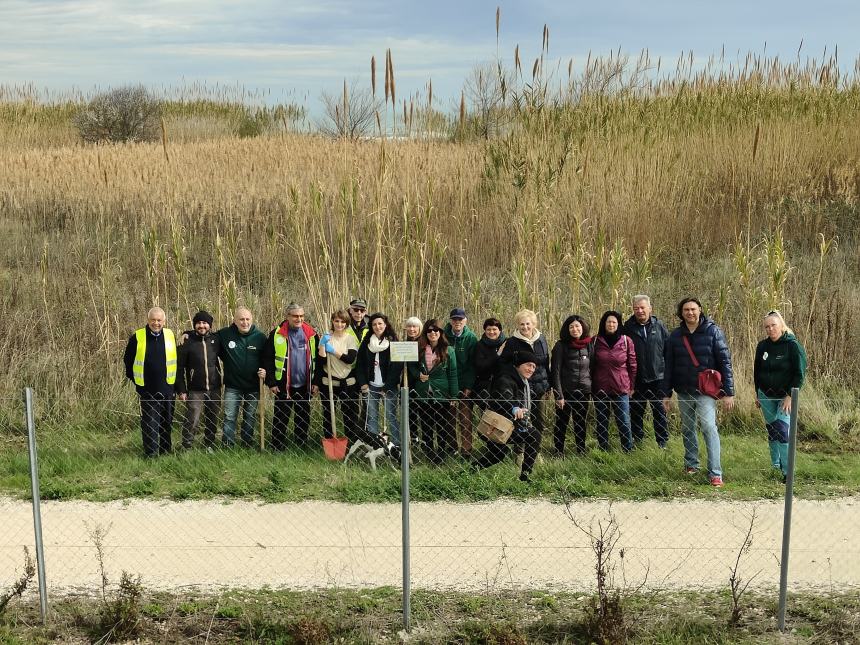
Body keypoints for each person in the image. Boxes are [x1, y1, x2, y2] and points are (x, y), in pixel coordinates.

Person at [663, 297, 735, 487]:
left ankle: (715, 473)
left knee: (709, 428)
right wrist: (666, 394)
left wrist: (729, 392)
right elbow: (668, 366)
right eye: (686, 309)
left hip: (705, 391)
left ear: (700, 310)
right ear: (681, 313)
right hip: (683, 390)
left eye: (693, 309)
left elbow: (725, 363)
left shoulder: (713, 332)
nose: (690, 312)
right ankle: (691, 465)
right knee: (687, 429)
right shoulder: (675, 336)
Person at [473, 350, 542, 482]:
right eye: (528, 365)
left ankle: (470, 470)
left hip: (505, 426)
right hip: (495, 426)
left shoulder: (521, 381)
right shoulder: (505, 378)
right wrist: (514, 408)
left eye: (534, 366)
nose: (531, 369)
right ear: (518, 365)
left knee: (498, 454)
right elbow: (505, 395)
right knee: (534, 436)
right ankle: (525, 476)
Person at [754, 310, 807, 480]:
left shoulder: (792, 346)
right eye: (767, 327)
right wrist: (757, 393)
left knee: (783, 431)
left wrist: (791, 395)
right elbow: (757, 371)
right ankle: (775, 465)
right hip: (765, 395)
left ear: (781, 325)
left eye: (773, 325)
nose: (770, 329)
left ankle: (787, 472)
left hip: (786, 397)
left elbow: (800, 374)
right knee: (773, 430)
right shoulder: (762, 346)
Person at [123, 307, 177, 458]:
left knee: (166, 423)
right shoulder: (138, 337)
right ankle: (151, 454)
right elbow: (128, 361)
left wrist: (176, 387)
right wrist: (137, 382)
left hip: (168, 388)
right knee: (150, 424)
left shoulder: (170, 335)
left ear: (164, 321)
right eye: (153, 320)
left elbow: (176, 360)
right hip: (147, 390)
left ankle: (165, 452)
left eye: (159, 320)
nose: (156, 323)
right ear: (148, 320)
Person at [263, 303, 319, 450]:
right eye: (295, 316)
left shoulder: (311, 334)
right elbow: (267, 359)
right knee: (281, 417)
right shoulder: (276, 333)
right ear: (287, 317)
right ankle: (277, 447)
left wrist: (316, 382)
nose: (298, 319)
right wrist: (271, 382)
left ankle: (301, 446)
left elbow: (318, 361)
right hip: (283, 384)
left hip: (305, 385)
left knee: (303, 418)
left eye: (301, 316)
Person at [500, 309, 551, 454]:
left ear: (533, 324)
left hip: (539, 386)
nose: (525, 327)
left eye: (528, 324)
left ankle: (536, 451)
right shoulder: (512, 342)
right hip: (520, 388)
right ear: (517, 325)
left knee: (538, 421)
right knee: (520, 420)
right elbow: (505, 364)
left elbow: (546, 362)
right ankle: (520, 452)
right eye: (521, 324)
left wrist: (549, 385)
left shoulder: (541, 339)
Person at [623, 295, 670, 448]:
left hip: (658, 378)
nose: (640, 311)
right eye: (636, 308)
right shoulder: (627, 328)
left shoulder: (659, 326)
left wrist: (667, 376)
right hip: (637, 380)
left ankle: (662, 443)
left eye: (643, 308)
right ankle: (638, 442)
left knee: (660, 412)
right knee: (636, 413)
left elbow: (668, 351)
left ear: (650, 308)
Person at [217, 307, 267, 448]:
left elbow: (267, 359)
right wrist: (187, 333)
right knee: (229, 417)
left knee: (250, 417)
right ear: (234, 320)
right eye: (241, 319)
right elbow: (206, 337)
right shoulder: (224, 335)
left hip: (253, 386)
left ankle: (247, 444)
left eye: (247, 319)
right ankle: (227, 445)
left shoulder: (260, 337)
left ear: (251, 319)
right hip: (232, 386)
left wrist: (265, 371)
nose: (245, 322)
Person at [176, 310, 222, 450]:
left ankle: (209, 444)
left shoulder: (216, 340)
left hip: (214, 388)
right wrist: (181, 389)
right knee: (192, 419)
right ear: (194, 325)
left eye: (205, 323)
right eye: (198, 323)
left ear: (210, 325)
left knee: (212, 419)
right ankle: (186, 446)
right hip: (195, 389)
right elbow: (179, 368)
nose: (202, 326)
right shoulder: (187, 341)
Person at [591, 311, 636, 452]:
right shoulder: (595, 341)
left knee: (623, 420)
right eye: (608, 322)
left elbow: (632, 365)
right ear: (603, 324)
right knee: (602, 421)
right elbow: (591, 365)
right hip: (601, 387)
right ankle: (603, 449)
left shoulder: (626, 341)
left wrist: (632, 386)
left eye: (614, 322)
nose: (611, 324)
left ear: (619, 324)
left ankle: (627, 449)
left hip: (621, 387)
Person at [415, 318, 459, 463]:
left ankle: (440, 454)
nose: (433, 333)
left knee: (441, 426)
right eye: (429, 330)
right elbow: (410, 367)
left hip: (441, 393)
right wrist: (417, 375)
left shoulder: (448, 350)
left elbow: (452, 374)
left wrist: (453, 395)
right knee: (426, 425)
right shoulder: (419, 348)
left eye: (436, 330)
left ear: (441, 332)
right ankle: (428, 452)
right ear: (425, 333)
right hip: (423, 393)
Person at [314, 310, 360, 442]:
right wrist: (323, 345)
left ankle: (351, 442)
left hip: (348, 383)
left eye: (342, 322)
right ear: (332, 322)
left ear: (346, 323)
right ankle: (330, 441)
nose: (339, 324)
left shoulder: (350, 339)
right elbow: (321, 362)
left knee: (350, 415)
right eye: (337, 321)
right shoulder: (327, 337)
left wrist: (333, 351)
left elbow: (350, 359)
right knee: (328, 414)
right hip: (329, 382)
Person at [551, 314, 593, 455]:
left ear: (583, 327)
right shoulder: (561, 345)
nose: (575, 329)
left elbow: (592, 368)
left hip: (584, 391)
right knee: (562, 422)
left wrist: (592, 388)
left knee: (580, 422)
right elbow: (555, 371)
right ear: (567, 329)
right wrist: (558, 395)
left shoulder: (589, 344)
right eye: (571, 327)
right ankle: (558, 451)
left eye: (577, 326)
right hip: (566, 391)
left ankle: (581, 450)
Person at [355, 313, 400, 443]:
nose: (377, 326)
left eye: (380, 323)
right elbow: (360, 365)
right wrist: (363, 383)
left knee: (391, 417)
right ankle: (373, 444)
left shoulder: (393, 342)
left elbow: (396, 368)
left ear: (385, 325)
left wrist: (387, 387)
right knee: (372, 417)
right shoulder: (367, 343)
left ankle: (397, 446)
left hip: (389, 387)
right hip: (371, 386)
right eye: (374, 324)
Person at [445, 308, 478, 457]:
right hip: (449, 384)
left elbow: (473, 364)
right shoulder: (444, 336)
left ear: (465, 321)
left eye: (460, 319)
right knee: (449, 418)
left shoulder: (471, 338)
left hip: (464, 384)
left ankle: (466, 450)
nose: (457, 322)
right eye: (454, 319)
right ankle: (452, 448)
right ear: (451, 321)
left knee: (465, 419)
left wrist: (468, 386)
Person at [472, 318, 506, 410]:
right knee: (486, 416)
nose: (491, 332)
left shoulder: (506, 343)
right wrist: (497, 354)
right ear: (485, 330)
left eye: (494, 329)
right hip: (485, 386)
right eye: (488, 329)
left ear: (500, 330)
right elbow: (480, 366)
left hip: (504, 386)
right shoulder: (480, 345)